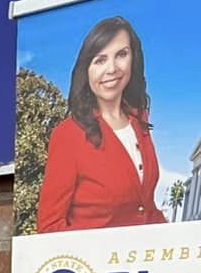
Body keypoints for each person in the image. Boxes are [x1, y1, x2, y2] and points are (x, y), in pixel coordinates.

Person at [36, 16, 167, 232]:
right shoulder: (68, 134)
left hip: (143, 262)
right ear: (86, 70)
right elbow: (49, 227)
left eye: (121, 54)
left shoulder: (139, 122)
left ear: (133, 58)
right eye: (100, 60)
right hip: (97, 263)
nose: (112, 69)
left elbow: (146, 207)